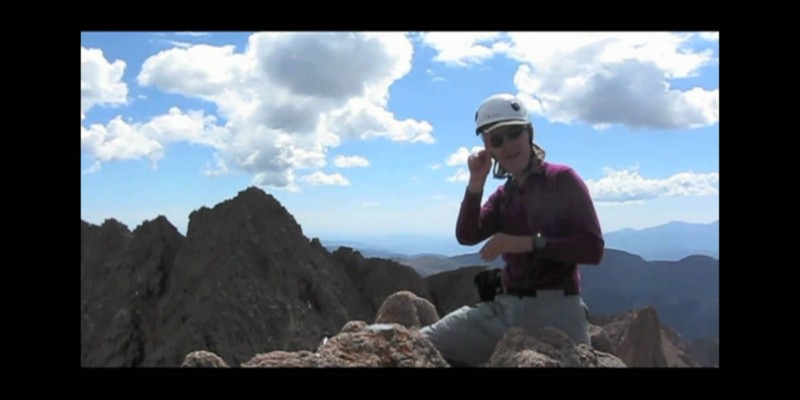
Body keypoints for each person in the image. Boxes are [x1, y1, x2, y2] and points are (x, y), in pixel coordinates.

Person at [419, 93, 604, 367]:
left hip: (556, 311)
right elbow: (467, 235)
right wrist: (476, 183)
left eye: (513, 133)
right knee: (420, 342)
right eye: (496, 139)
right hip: (505, 310)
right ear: (488, 147)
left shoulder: (562, 179)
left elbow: (592, 248)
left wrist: (528, 243)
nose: (507, 145)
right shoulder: (505, 195)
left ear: (529, 133)